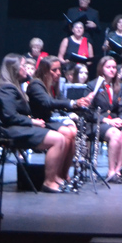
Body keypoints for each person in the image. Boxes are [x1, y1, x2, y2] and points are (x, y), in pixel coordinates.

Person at [0, 54, 68, 193]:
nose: (26, 69)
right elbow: (10, 117)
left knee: (61, 137)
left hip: (16, 127)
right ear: (14, 68)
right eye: (23, 66)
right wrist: (32, 121)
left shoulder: (14, 86)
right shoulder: (6, 88)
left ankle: (55, 177)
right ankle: (49, 182)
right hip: (8, 131)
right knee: (58, 139)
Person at [27, 56, 91, 185]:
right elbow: (48, 102)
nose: (58, 73)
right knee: (67, 133)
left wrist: (79, 104)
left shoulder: (54, 84)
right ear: (45, 71)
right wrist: (73, 103)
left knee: (73, 131)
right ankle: (54, 175)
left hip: (50, 120)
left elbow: (62, 102)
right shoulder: (36, 84)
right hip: (39, 122)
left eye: (59, 70)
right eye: (54, 70)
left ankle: (63, 173)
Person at [89, 57, 122, 183]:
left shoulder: (120, 87)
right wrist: (107, 121)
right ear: (101, 69)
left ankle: (118, 170)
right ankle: (111, 170)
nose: (112, 70)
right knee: (116, 134)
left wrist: (121, 120)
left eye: (114, 67)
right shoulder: (92, 85)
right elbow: (89, 112)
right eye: (108, 67)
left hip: (115, 122)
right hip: (98, 123)